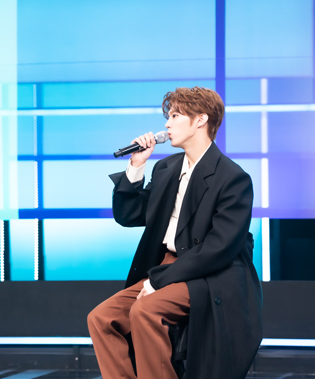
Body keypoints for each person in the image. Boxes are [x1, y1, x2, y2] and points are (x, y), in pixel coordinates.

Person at [87, 87, 262, 379]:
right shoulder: (166, 168)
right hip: (167, 266)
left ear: (200, 120)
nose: (167, 124)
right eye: (168, 117)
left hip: (208, 274)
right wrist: (137, 165)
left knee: (145, 311)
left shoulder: (233, 178)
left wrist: (159, 280)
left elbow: (218, 248)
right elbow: (130, 215)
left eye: (175, 116)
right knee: (102, 318)